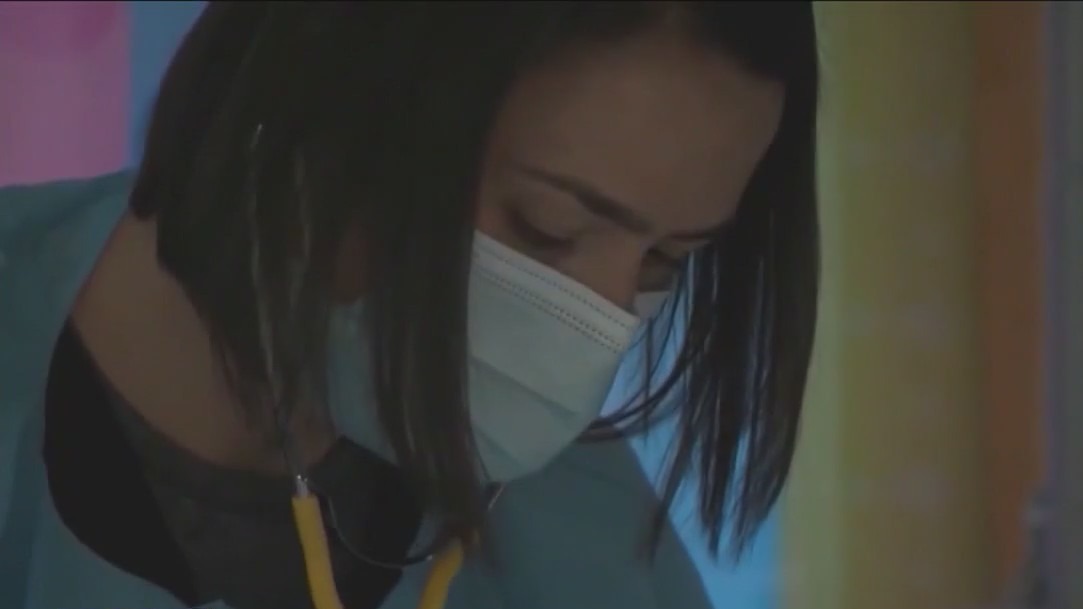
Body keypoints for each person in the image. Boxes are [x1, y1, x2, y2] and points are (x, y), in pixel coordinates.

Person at [0, 3, 819, 609]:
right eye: (547, 226)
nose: (597, 323)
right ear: (325, 89)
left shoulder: (583, 536)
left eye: (665, 259)